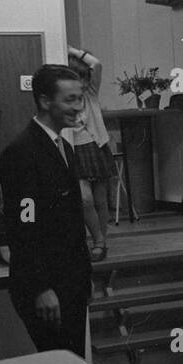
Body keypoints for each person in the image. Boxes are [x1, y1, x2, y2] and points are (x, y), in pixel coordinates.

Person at [0, 64, 98, 364]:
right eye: (71, 99)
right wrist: (42, 287)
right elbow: (24, 228)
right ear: (44, 101)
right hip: (46, 287)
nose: (79, 107)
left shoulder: (61, 146)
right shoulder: (23, 152)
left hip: (68, 281)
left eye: (81, 98)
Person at [64, 45, 116, 260]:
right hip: (75, 149)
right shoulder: (65, 98)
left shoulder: (91, 93)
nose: (84, 83)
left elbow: (97, 64)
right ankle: (98, 239)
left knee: (100, 200)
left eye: (85, 78)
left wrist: (72, 51)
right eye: (79, 78)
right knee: (85, 200)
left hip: (96, 147)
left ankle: (100, 241)